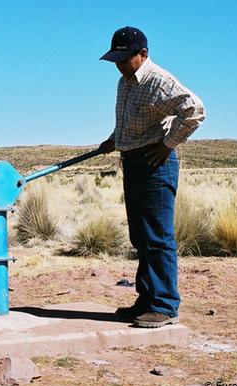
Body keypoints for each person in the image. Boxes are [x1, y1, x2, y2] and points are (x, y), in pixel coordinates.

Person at [98, 26, 205, 328]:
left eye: (125, 58)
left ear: (143, 54)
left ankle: (165, 306)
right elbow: (132, 121)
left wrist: (167, 144)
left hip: (155, 164)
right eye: (116, 59)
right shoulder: (125, 82)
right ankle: (147, 300)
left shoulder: (159, 81)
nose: (119, 64)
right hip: (132, 161)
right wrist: (114, 139)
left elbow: (195, 111)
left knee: (157, 237)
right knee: (141, 236)